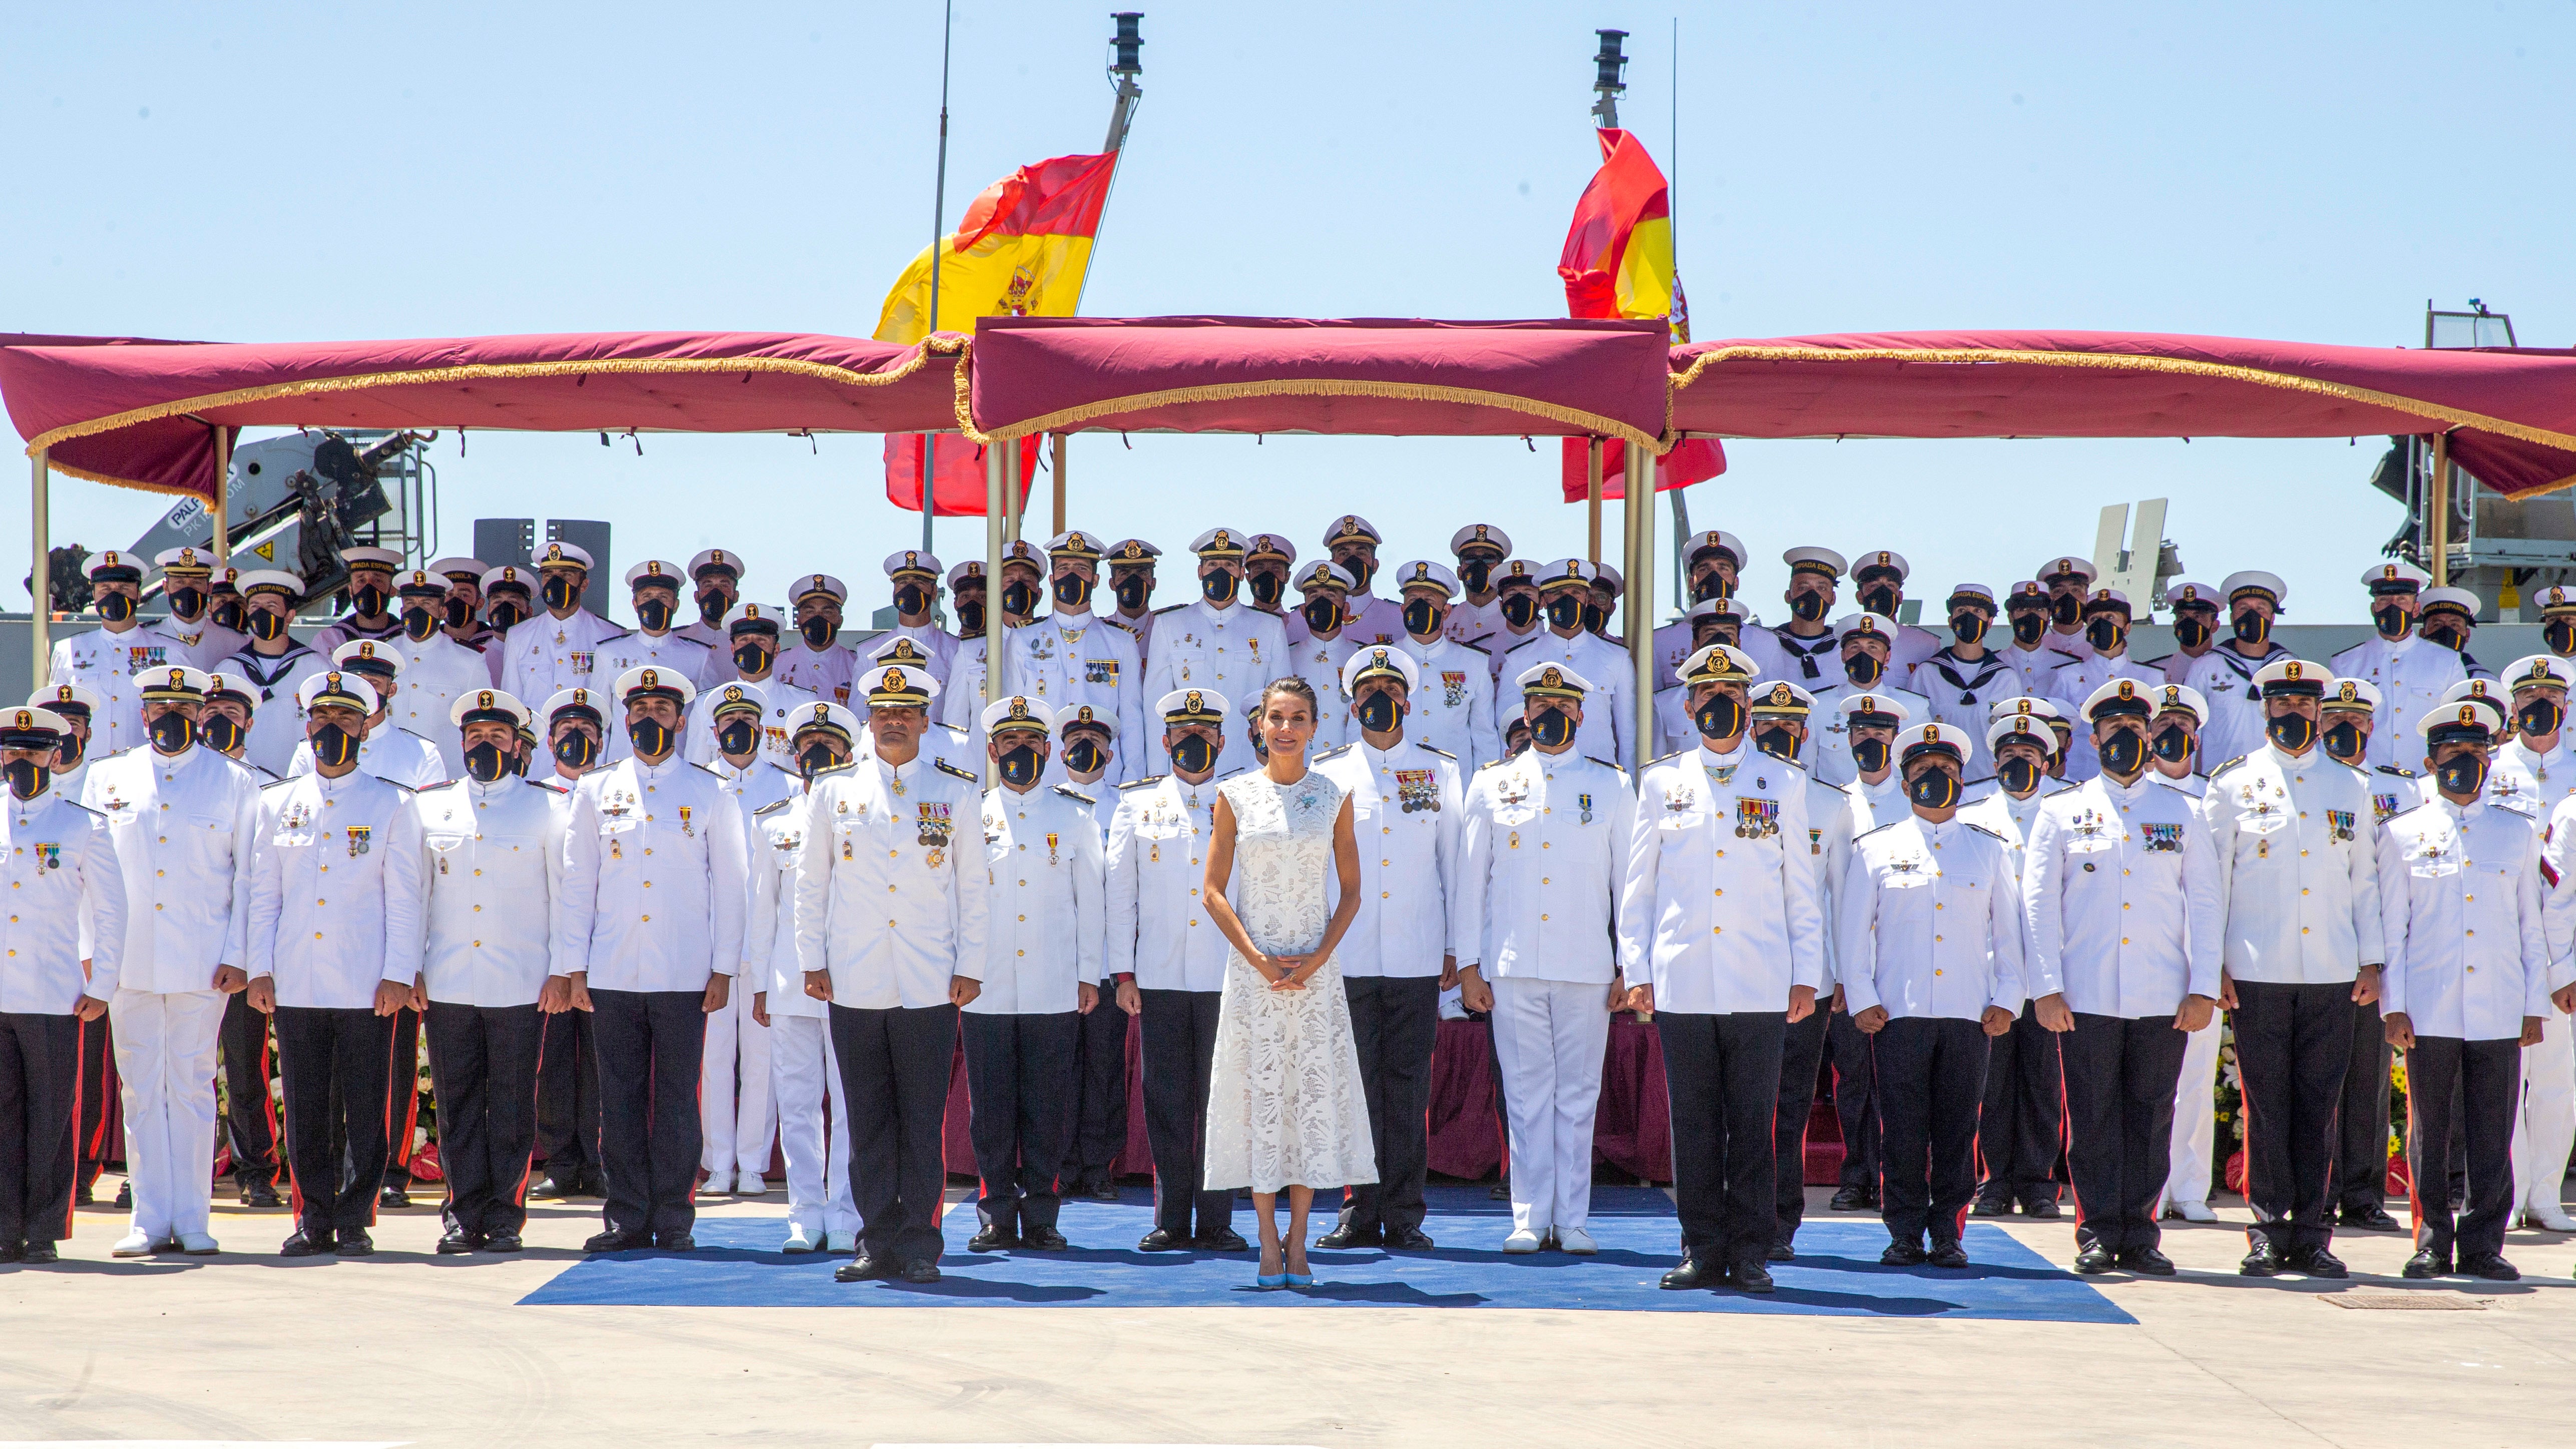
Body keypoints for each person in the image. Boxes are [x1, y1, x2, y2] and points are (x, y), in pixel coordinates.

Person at [1619, 646, 1821, 1290]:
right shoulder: (1661, 782)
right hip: (1683, 977)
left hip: (1760, 977)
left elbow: (1800, 887)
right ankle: (1702, 1248)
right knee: (1696, 1123)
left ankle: (1751, 1251)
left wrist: (1805, 973)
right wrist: (1636, 967)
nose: (1718, 705)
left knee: (1752, 1124)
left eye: (1731, 694)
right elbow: (1640, 888)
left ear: (1748, 705)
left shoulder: (1785, 782)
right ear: (1687, 706)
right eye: (1706, 696)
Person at [2023, 679, 2220, 1275]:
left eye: (2137, 731)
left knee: (2151, 1115)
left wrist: (2203, 985)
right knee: (2092, 1117)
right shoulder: (2060, 810)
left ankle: (2141, 1232)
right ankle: (2097, 1232)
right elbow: (2036, 902)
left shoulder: (2183, 810)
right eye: (2115, 732)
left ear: (2151, 735)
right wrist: (2046, 987)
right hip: (2085, 993)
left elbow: (2206, 902)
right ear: (2094, 738)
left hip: (2162, 992)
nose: (2126, 741)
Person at [799, 663, 985, 1284]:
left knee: (920, 1120)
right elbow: (811, 883)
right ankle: (875, 1240)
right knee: (868, 1119)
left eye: (906, 713)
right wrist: (811, 961)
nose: (894, 722)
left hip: (930, 979)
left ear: (926, 722)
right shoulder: (833, 790)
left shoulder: (956, 791)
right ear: (869, 721)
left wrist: (971, 966)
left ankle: (920, 1245)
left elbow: (973, 889)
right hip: (854, 977)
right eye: (883, 713)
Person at [2201, 657, 2384, 1279]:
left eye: (2305, 705)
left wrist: (2372, 961)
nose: (2294, 714)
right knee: (2265, 1105)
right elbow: (2211, 887)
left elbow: (2366, 884)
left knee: (2319, 1106)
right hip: (2257, 969)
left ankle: (2312, 1233)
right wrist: (2213, 967)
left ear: (2319, 712)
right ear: (2265, 709)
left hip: (2332, 970)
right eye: (2282, 704)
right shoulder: (2231, 784)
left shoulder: (2351, 787)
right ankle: (2265, 1228)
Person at [559, 665, 747, 1253]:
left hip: (683, 971)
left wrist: (723, 968)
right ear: (626, 719)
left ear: (681, 721)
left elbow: (731, 886)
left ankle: (673, 1215)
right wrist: (574, 967)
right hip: (614, 968)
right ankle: (626, 1215)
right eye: (639, 712)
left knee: (675, 1099)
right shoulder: (596, 789)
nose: (649, 721)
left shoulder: (710, 791)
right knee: (617, 1098)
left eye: (661, 712)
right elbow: (576, 881)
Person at [242, 669, 425, 1256]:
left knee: (366, 1103)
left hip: (365, 979)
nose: (333, 729)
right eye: (323, 718)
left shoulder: (393, 802)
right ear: (307, 725)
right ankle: (312, 1217)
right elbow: (262, 893)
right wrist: (259, 969)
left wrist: (399, 972)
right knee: (305, 1106)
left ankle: (355, 1216)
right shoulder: (276, 803)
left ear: (366, 729)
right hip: (296, 977)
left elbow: (405, 896)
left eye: (347, 719)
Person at [1201, 677, 1377, 1288]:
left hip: (1314, 977)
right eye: (1275, 717)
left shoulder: (1333, 795)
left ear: (1314, 727)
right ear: (1259, 725)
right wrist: (1256, 958)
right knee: (1260, 1102)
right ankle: (1266, 1244)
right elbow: (1213, 890)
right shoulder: (1233, 794)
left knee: (1306, 1103)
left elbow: (1352, 891)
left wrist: (1319, 958)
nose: (1285, 728)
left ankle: (1300, 1242)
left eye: (1297, 718)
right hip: (1254, 977)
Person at [86, 665, 264, 1256]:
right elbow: (90, 880)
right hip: (127, 962)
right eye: (159, 709)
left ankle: (192, 1219)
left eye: (183, 711)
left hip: (201, 959)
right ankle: (147, 1218)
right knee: (139, 1089)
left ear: (199, 715)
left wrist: (239, 955)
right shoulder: (108, 776)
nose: (170, 720)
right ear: (143, 714)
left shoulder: (233, 781)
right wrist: (93, 958)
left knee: (190, 1087)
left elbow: (249, 878)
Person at [1841, 721, 2025, 1267]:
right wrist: (1861, 996)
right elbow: (1853, 933)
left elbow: (2008, 933)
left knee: (1956, 1126)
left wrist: (2007, 997)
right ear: (1903, 784)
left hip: (1968, 1011)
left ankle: (1948, 1232)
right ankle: (1902, 1232)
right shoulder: (1876, 848)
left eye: (1945, 770)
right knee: (1900, 1127)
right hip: (1898, 1012)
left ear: (1962, 780)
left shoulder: (1987, 851)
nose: (1934, 779)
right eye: (1922, 771)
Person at [2378, 696, 2547, 1281]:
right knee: (2429, 1129)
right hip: (2428, 1007)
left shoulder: (2516, 833)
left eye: (2477, 751)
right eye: (2454, 752)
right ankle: (2430, 1241)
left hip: (2499, 1005)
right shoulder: (2402, 833)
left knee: (2492, 1128)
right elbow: (2392, 930)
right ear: (2430, 762)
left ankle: (2483, 1244)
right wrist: (2393, 1007)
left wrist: (2534, 1005)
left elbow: (2532, 925)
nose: (2466, 762)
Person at [1312, 648, 1463, 1252]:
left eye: (1390, 689)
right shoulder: (1326, 771)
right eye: (1368, 688)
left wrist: (1458, 946)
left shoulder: (1441, 770)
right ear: (1352, 702)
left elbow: (1455, 865)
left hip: (1415, 953)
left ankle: (1404, 1211)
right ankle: (1358, 1209)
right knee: (1352, 1087)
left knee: (1407, 1088)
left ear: (1407, 699)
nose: (1379, 698)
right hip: (1345, 955)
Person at [411, 689, 563, 1254]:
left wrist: (564, 971)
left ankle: (505, 1215)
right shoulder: (431, 806)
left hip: (521, 980)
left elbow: (565, 898)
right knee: (458, 1104)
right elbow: (415, 896)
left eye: (497, 737)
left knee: (514, 1103)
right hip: (449, 978)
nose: (485, 746)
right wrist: (409, 969)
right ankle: (462, 1212)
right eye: (475, 737)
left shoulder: (547, 807)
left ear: (519, 745)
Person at [1108, 688, 1250, 1252]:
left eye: (1205, 733)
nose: (1194, 742)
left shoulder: (1245, 801)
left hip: (1226, 975)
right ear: (1165, 741)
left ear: (1222, 739)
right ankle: (1171, 1218)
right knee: (1166, 1099)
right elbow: (1121, 896)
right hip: (1160, 977)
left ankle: (1216, 1219)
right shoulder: (1135, 805)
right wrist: (1122, 974)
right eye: (1183, 734)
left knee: (1222, 1100)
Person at [965, 696, 1106, 1252]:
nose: (1020, 751)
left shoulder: (1075, 814)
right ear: (994, 750)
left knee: (1048, 1106)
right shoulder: (969, 813)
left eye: (1031, 742)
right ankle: (996, 1213)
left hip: (1053, 982)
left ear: (1049, 749)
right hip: (986, 984)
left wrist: (1088, 975)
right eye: (1010, 742)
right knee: (991, 1109)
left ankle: (1043, 1216)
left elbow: (1089, 902)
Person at [0, 706, 125, 1265]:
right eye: (12, 751)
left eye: (32, 751)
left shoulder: (82, 825)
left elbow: (113, 911)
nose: (20, 760)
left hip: (55, 992)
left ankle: (45, 1228)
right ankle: (4, 1227)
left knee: (52, 1114)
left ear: (57, 756)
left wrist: (105, 983)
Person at [1740, 679, 1856, 1258]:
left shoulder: (1831, 802)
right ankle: (1735, 1215)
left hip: (1805, 982)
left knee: (1787, 1109)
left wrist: (1840, 976)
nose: (1778, 733)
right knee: (1737, 1107)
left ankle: (1780, 1222)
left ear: (1806, 734)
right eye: (1767, 724)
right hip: (1739, 974)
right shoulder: (1731, 793)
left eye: (1790, 726)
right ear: (1750, 726)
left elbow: (1842, 899)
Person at [748, 702, 864, 1252]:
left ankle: (844, 1214)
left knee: (848, 1107)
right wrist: (759, 984)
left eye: (830, 744)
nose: (819, 754)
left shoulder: (862, 812)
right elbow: (761, 910)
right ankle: (804, 1215)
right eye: (809, 744)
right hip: (791, 983)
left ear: (848, 752)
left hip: (852, 983)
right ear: (794, 755)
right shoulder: (773, 821)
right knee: (796, 1104)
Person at [1959, 708, 2064, 1221]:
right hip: (1991, 972)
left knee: (2044, 1082)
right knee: (1992, 1084)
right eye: (2008, 756)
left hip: (2049, 971)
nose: (2017, 763)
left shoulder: (2067, 810)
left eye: (2028, 756)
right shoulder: (1971, 813)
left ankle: (2039, 1182)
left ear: (2048, 762)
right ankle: (1995, 1180)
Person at [699, 686, 795, 1197]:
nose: (737, 728)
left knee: (762, 1058)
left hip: (766, 943)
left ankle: (754, 1162)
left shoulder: (788, 787)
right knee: (714, 1057)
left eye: (746, 719)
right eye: (728, 720)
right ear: (714, 731)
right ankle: (717, 1162)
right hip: (711, 943)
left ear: (762, 728)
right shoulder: (700, 784)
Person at [528, 687, 609, 1199]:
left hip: (606, 948)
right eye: (566, 732)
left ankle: (600, 1162)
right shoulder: (534, 798)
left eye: (585, 733)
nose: (575, 740)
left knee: (605, 1062)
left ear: (601, 741)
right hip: (546, 950)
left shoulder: (612, 793)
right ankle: (560, 1161)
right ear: (550, 741)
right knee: (554, 1062)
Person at [1052, 705, 1132, 1201]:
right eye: (1077, 739)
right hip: (1055, 961)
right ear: (1060, 752)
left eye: (1095, 740)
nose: (1086, 748)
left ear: (1109, 752)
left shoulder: (1125, 807)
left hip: (1105, 963)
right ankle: (1058, 1163)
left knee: (1103, 1068)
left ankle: (1098, 1165)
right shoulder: (1043, 804)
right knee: (1057, 1069)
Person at [1141, 529, 1292, 775]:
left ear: (1242, 573)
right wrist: (1160, 775)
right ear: (1200, 572)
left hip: (1249, 765)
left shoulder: (1269, 627)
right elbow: (1156, 708)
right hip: (1187, 768)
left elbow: (1281, 706)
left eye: (1229, 564)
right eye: (1212, 564)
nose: (1220, 571)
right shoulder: (1170, 625)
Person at [1003, 530, 1147, 760]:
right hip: (1044, 771)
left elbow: (1131, 719)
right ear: (1052, 580)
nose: (1072, 575)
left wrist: (1132, 777)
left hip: (1103, 772)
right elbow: (1013, 715)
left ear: (1095, 580)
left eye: (1082, 568)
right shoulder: (1023, 638)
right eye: (1064, 568)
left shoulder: (1120, 641)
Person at [1497, 560, 1634, 770]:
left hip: (1599, 778)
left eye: (1576, 593)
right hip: (1537, 778)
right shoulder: (1518, 660)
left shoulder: (1617, 658)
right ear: (1543, 601)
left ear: (1587, 599)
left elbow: (1628, 735)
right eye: (1558, 594)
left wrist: (1629, 785)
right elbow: (1506, 731)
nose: (1568, 600)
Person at [49, 551, 183, 756]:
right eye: (105, 589)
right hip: (88, 772)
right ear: (94, 595)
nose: (114, 595)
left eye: (123, 588)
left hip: (143, 773)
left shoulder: (172, 652)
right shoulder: (67, 651)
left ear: (138, 594)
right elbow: (55, 720)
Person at [286, 641, 447, 790]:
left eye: (374, 682)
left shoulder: (421, 754)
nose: (365, 689)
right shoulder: (308, 750)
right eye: (357, 681)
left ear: (391, 690)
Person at [2174, 571, 2295, 767]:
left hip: (2276, 781)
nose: (2252, 615)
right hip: (2222, 782)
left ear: (2272, 619)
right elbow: (2190, 731)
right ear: (2232, 618)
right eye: (2243, 608)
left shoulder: (2288, 668)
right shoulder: (2205, 667)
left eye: (2261, 609)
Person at [1907, 583, 2028, 778]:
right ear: (1951, 621)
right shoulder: (1927, 673)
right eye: (1962, 611)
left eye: (1978, 611)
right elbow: (1913, 733)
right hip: (1940, 783)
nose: (1969, 617)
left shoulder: (2006, 678)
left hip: (1989, 784)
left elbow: (2013, 738)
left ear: (1989, 623)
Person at [391, 569, 500, 778]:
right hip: (391, 775)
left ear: (442, 612)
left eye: (426, 605)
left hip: (446, 777)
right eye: (411, 603)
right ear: (402, 609)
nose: (417, 610)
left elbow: (483, 724)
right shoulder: (385, 655)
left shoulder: (469, 661)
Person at [497, 542, 631, 711]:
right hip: (536, 737)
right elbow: (512, 703)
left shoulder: (609, 635)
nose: (555, 582)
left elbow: (611, 709)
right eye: (548, 575)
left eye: (566, 575)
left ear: (584, 585)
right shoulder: (519, 635)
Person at [1390, 562, 1500, 769]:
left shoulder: (1473, 663)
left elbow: (1484, 737)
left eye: (1429, 600)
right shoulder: (1385, 659)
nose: (1420, 606)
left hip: (1455, 788)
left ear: (1447, 612)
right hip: (1397, 783)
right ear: (1403, 609)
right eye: (1413, 600)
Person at [942, 546, 1046, 760]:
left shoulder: (1053, 645)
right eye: (1009, 581)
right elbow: (955, 726)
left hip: (1042, 772)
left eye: (1027, 581)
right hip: (984, 771)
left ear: (1039, 593)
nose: (1018, 587)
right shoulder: (970, 649)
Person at [2048, 590, 2164, 783]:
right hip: (2080, 780)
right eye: (2095, 619)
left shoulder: (2151, 677)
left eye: (2110, 617)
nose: (2103, 623)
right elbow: (2057, 734)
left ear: (2126, 628)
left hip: (2134, 781)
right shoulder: (2067, 677)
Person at [1807, 616, 1932, 786]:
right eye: (1855, 647)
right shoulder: (1817, 706)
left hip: (1894, 807)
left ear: (1887, 657)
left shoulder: (1915, 708)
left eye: (1872, 647)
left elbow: (1923, 770)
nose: (1863, 654)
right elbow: (1806, 773)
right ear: (1843, 655)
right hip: (1834, 805)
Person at [1651, 530, 1748, 689]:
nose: (1714, 575)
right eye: (1704, 568)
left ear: (1736, 583)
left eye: (1723, 568)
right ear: (1691, 584)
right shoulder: (1659, 642)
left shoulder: (1766, 643)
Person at [1285, 561, 1361, 753]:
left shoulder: (1362, 657)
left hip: (1348, 763)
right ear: (1303, 611)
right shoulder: (1287, 656)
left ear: (1345, 610)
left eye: (1330, 595)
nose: (1322, 602)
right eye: (1314, 596)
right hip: (1299, 763)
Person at [1743, 547, 1845, 686]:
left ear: (1833, 598)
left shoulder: (1845, 648)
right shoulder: (1767, 646)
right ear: (1788, 596)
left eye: (1822, 588)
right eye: (1803, 587)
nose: (1812, 594)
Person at [608, 559, 716, 690]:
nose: (655, 603)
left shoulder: (700, 656)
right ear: (635, 605)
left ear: (675, 605)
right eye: (647, 596)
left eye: (663, 596)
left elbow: (705, 708)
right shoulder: (609, 653)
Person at [1846, 550, 1942, 675]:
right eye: (1874, 586)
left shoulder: (1926, 645)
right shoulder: (1846, 643)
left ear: (1900, 597)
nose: (1883, 591)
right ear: (1860, 597)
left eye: (1890, 586)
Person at [152, 547, 245, 669]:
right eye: (179, 582)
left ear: (209, 588)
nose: (188, 589)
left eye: (197, 583)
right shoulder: (149, 636)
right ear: (166, 588)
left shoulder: (236, 642)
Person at [876, 550, 957, 688]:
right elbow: (860, 708)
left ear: (934, 592)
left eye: (919, 583)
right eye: (903, 583)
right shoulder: (871, 651)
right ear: (894, 592)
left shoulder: (955, 650)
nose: (910, 589)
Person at [775, 573, 858, 706]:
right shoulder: (778, 664)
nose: (818, 617)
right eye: (810, 612)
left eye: (827, 612)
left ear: (840, 621)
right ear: (799, 621)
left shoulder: (856, 665)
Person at [1322, 515, 1405, 646]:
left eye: (1361, 554)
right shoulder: (1300, 620)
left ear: (1375, 566)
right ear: (1332, 565)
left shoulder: (1400, 618)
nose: (1353, 560)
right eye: (1344, 554)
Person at [310, 546, 408, 655]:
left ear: (393, 590)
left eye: (378, 580)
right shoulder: (327, 640)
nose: (369, 587)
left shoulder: (407, 639)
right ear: (351, 591)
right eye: (361, 580)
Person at [1445, 524, 1514, 648]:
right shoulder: (1444, 619)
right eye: (1471, 559)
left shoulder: (1518, 618)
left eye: (1488, 559)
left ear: (1500, 572)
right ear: (1460, 573)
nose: (1479, 565)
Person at [1996, 579, 2075, 686]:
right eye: (2023, 609)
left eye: (2039, 609)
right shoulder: (1994, 663)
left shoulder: (2068, 664)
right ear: (2011, 617)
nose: (2031, 615)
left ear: (2048, 616)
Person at [677, 549, 747, 663]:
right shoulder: (679, 640)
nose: (716, 591)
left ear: (736, 596)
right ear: (696, 597)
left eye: (724, 585)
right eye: (708, 585)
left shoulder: (746, 643)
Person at [1482, 560, 1547, 682]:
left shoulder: (1553, 649)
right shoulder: (1484, 653)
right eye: (1512, 595)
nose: (1520, 600)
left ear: (1542, 602)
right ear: (1501, 605)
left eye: (1528, 594)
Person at [2153, 582, 2224, 686]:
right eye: (2182, 616)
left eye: (2198, 616)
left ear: (2215, 626)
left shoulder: (2228, 670)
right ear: (2175, 625)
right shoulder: (2156, 672)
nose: (2189, 622)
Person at [1102, 539, 1162, 652]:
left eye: (1142, 573)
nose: (1134, 580)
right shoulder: (1101, 632)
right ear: (1112, 584)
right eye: (1125, 573)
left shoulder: (1165, 629)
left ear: (1153, 583)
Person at [1243, 533, 1298, 624]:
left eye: (1275, 569)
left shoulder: (1300, 626)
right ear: (1248, 578)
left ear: (1287, 577)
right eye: (1259, 569)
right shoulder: (1238, 624)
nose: (1267, 575)